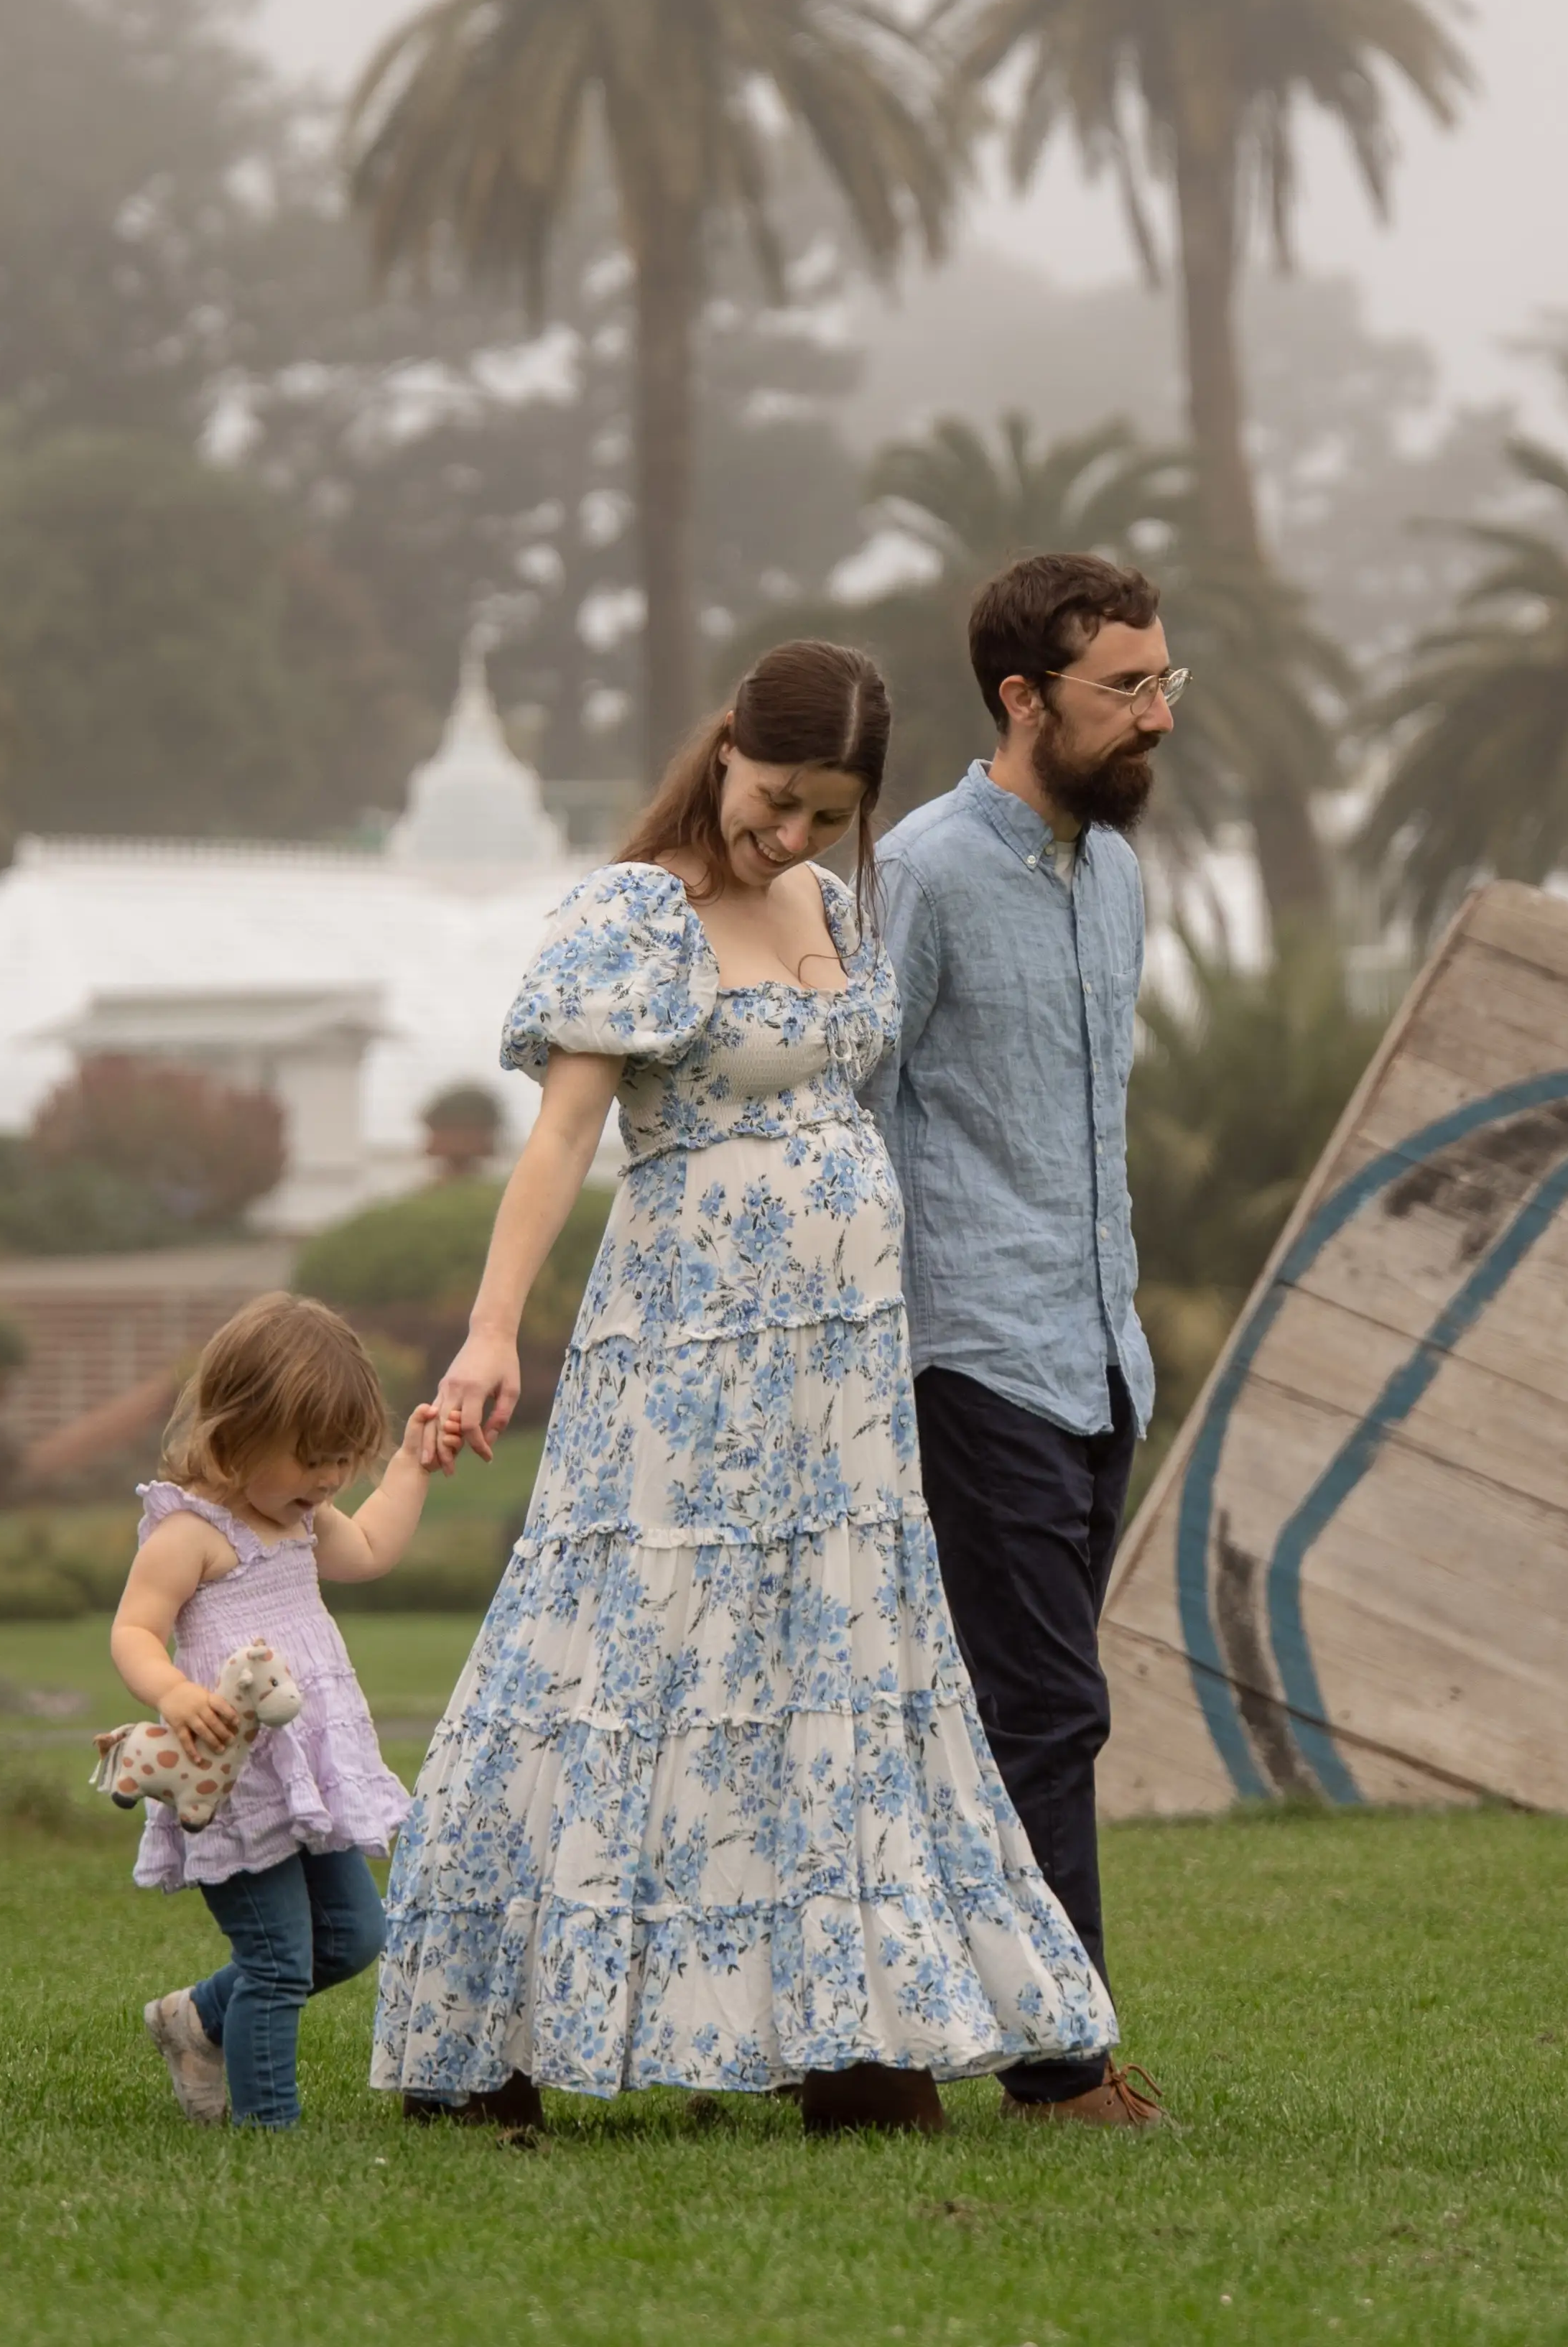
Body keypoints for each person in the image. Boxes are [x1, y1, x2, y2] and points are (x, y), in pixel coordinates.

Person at [372, 638, 1114, 2134]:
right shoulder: (636, 910)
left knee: (827, 1665)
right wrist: (490, 1330)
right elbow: (562, 1138)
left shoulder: (832, 905)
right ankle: (488, 2036)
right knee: (631, 1650)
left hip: (836, 1369)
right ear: (723, 751)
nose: (787, 834)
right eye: (774, 799)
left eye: (823, 812)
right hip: (688, 1354)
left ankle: (849, 2031)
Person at [862, 552, 1177, 2131]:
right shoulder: (920, 871)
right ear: (1020, 697)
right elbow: (854, 1112)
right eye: (1123, 688)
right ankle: (1058, 2067)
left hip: (1098, 1357)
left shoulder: (1115, 873)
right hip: (966, 1353)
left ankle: (900, 2035)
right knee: (1044, 1709)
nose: (1154, 716)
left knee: (1010, 1711)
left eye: (1162, 680)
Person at [111, 1292, 440, 2131]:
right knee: (278, 1960)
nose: (329, 1480)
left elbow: (369, 1551)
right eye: (310, 1460)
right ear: (234, 1434)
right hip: (238, 1786)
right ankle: (270, 2132)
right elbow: (135, 1630)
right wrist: (174, 1691)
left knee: (355, 1935)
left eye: (343, 1460)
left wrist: (408, 1466)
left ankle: (195, 2021)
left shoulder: (305, 1519)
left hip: (309, 1781)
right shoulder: (191, 1533)